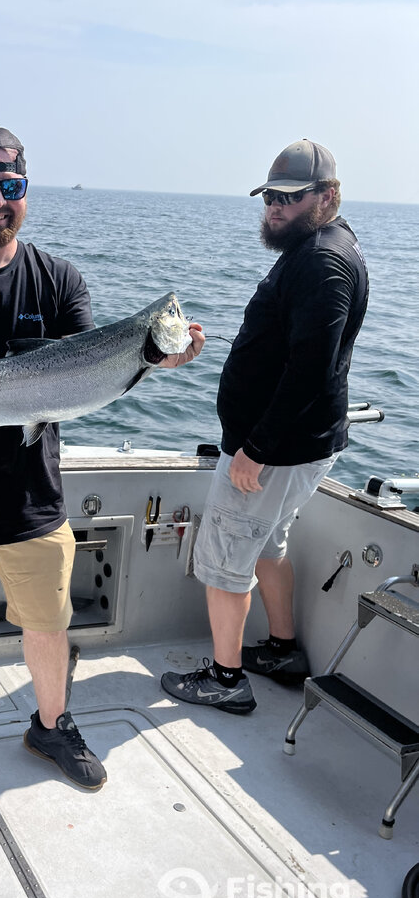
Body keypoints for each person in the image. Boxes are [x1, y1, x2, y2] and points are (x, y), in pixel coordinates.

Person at [0, 123, 204, 789]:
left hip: (33, 494)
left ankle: (51, 725)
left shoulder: (59, 280)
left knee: (49, 624)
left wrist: (150, 360)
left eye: (11, 186)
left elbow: (89, 369)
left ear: (26, 192)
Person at [161, 138, 368, 714]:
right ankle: (282, 650)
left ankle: (226, 680)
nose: (276, 207)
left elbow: (310, 371)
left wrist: (256, 448)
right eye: (270, 197)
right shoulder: (321, 245)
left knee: (225, 560)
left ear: (327, 196)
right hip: (294, 446)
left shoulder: (322, 262)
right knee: (269, 543)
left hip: (273, 452)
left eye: (290, 198)